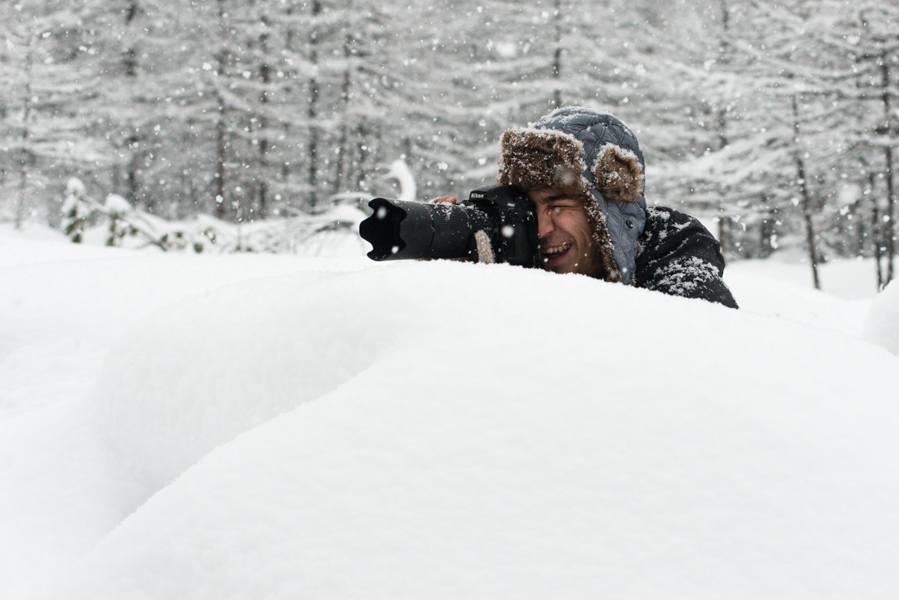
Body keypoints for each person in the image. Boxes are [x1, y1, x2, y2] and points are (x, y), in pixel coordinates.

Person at [435, 106, 738, 308]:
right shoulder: (522, 250)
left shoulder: (673, 257)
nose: (540, 229)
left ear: (607, 209)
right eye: (529, 207)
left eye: (557, 205)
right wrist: (459, 280)